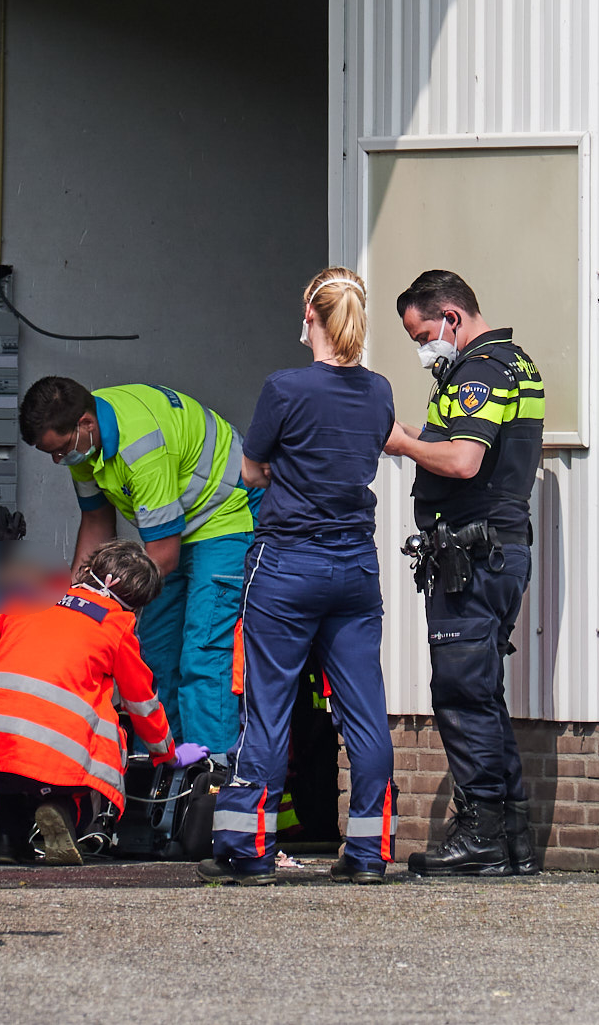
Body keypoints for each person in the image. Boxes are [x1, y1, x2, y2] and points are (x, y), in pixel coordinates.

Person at [198, 268, 397, 886]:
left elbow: (252, 470)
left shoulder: (285, 388)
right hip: (356, 568)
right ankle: (369, 852)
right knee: (365, 711)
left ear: (311, 316)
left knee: (268, 707)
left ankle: (249, 848)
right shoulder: (380, 391)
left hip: (287, 564)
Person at [384, 269, 545, 877]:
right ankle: (512, 836)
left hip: (474, 554)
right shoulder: (512, 363)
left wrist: (402, 443)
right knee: (483, 690)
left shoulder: (480, 371)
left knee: (461, 692)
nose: (422, 347)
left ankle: (480, 830)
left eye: (423, 333)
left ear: (451, 316)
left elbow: (462, 458)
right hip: (493, 551)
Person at [19, 376, 255, 755]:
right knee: (155, 654)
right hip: (173, 530)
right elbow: (97, 523)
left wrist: (104, 611)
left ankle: (211, 783)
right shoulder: (86, 445)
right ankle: (170, 767)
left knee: (203, 655)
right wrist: (75, 600)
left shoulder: (140, 448)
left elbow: (163, 557)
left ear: (85, 424)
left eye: (61, 451)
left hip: (222, 516)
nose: (58, 461)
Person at [0, 539, 177, 865]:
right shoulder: (116, 625)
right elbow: (141, 702)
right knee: (105, 724)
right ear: (137, 604)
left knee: (12, 775)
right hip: (54, 765)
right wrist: (165, 753)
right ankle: (68, 814)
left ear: (87, 569)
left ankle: (6, 842)